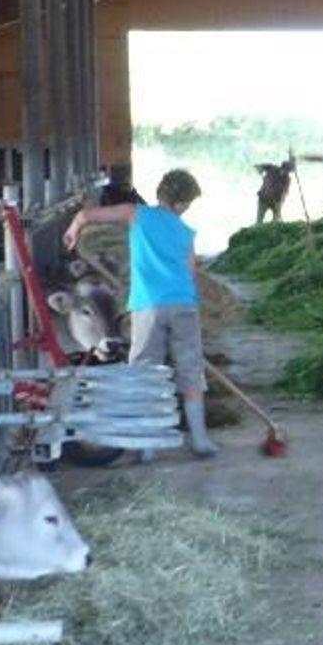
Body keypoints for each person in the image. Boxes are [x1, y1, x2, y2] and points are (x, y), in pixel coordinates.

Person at [66, 168, 216, 458]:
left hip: (148, 305)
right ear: (182, 203)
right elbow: (190, 272)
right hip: (183, 303)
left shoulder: (136, 214)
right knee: (190, 370)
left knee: (144, 372)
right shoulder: (186, 232)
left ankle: (146, 446)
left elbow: (87, 215)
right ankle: (199, 439)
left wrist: (73, 229)